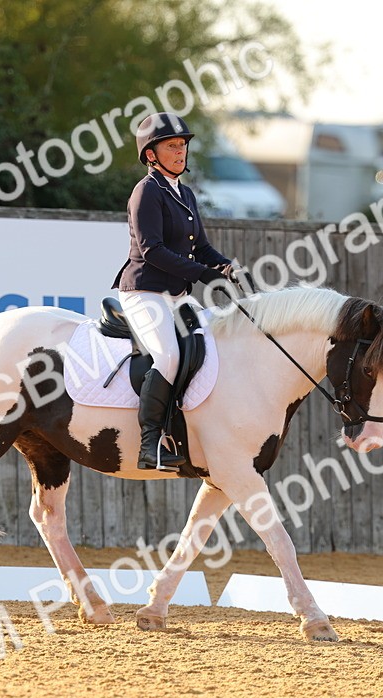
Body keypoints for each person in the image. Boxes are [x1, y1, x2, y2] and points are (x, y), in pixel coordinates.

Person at [111, 112, 238, 472]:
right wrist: (202, 274)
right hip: (144, 291)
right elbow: (152, 250)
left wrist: (225, 267)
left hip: (176, 295)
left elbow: (202, 248)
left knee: (210, 346)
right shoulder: (146, 192)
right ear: (151, 154)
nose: (180, 151)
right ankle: (150, 443)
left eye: (183, 145)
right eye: (171, 146)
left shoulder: (185, 193)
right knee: (168, 356)